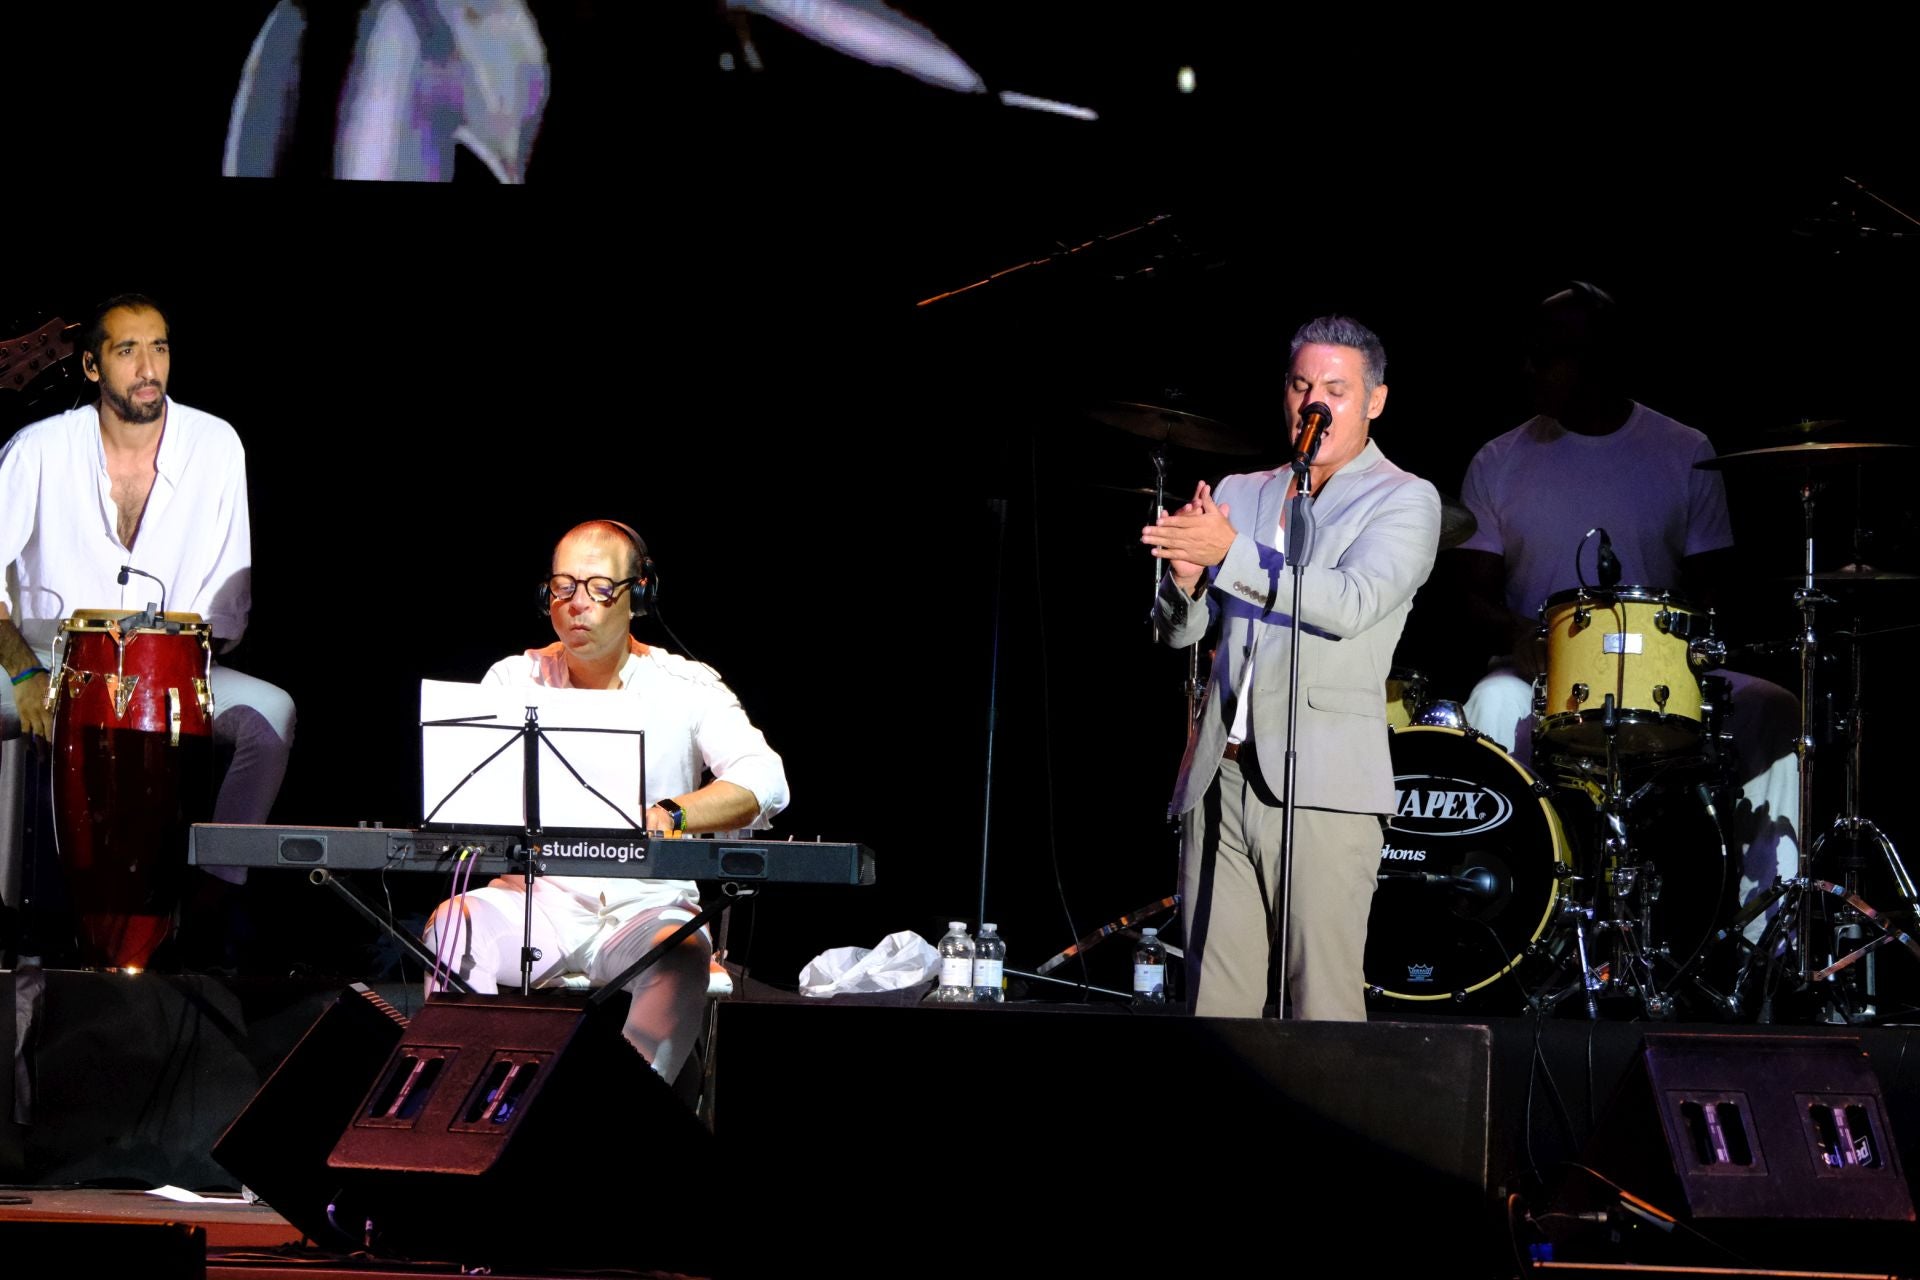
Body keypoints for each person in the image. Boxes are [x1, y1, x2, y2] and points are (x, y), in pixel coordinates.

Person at [1454, 281, 1798, 933]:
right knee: (1489, 705)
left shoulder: (1683, 449)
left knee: (1774, 711)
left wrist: (1692, 646)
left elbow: (1713, 584)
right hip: (1540, 677)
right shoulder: (1499, 459)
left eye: (1545, 355)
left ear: (1595, 361)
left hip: (1662, 676)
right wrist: (1518, 633)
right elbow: (1470, 591)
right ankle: (1510, 925)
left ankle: (1766, 943)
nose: (1528, 370)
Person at [1140, 315, 1442, 1021]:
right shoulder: (1243, 493)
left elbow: (1351, 602)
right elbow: (1182, 635)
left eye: (1336, 388)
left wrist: (1230, 554)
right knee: (1216, 1014)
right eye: (1303, 385)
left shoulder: (1403, 498)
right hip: (1222, 774)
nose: (1315, 402)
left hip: (1325, 785)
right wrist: (1183, 583)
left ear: (1375, 400)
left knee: (1324, 1013)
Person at [422, 520, 789, 1082]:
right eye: (563, 587)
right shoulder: (513, 679)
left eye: (598, 587)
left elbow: (764, 780)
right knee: (455, 923)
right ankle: (478, 1108)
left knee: (682, 949)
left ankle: (614, 1121)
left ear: (639, 595)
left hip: (644, 907)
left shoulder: (687, 686)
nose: (576, 604)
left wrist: (674, 813)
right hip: (538, 903)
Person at [0, 294, 296, 876]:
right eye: (127, 350)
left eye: (158, 347)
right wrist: (27, 673)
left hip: (167, 664)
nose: (148, 369)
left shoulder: (216, 444)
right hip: (43, 662)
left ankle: (216, 880)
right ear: (92, 367)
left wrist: (170, 672)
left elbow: (225, 607)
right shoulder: (37, 449)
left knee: (273, 717)